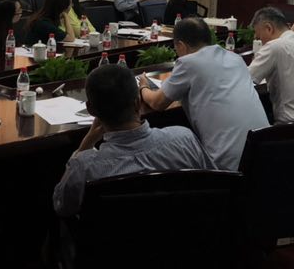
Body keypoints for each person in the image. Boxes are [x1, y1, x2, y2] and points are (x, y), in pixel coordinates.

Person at [53, 62, 214, 216]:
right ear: (137, 102)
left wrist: (85, 145)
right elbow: (216, 185)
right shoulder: (184, 140)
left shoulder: (84, 166)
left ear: (91, 110)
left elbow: (62, 206)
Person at [139, 18, 269, 170]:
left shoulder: (189, 63)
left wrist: (143, 87)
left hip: (228, 167)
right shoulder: (235, 59)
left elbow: (157, 103)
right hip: (266, 153)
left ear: (181, 45)